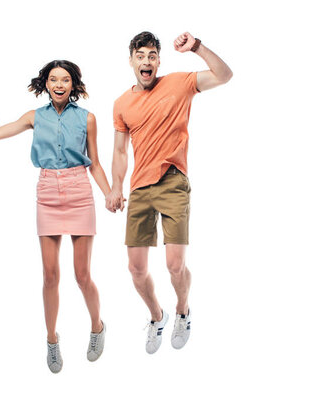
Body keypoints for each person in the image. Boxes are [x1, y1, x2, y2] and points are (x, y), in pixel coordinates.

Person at [0, 60, 110, 373]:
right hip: (47, 194)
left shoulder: (88, 119)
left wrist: (110, 193)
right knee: (50, 275)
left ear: (73, 84)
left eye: (65, 80)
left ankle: (97, 327)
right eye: (53, 79)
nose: (59, 84)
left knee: (82, 274)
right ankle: (51, 340)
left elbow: (96, 164)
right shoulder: (34, 117)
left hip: (79, 192)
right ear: (45, 84)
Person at [106, 31, 233, 354]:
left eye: (151, 55)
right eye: (140, 56)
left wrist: (198, 47)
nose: (146, 62)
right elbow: (120, 151)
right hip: (138, 189)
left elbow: (224, 75)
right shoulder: (121, 104)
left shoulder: (179, 83)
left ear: (159, 61)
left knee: (175, 265)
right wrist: (115, 188)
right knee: (136, 269)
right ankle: (156, 316)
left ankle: (182, 311)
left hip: (173, 181)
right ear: (131, 61)